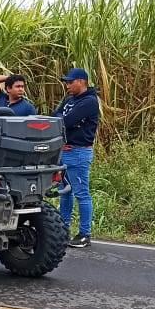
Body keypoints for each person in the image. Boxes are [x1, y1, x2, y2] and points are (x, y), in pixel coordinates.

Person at [53, 68, 100, 248]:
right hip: (64, 151)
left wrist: (62, 118)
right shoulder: (70, 100)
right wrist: (61, 117)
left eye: (70, 82)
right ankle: (63, 229)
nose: (67, 85)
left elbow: (65, 121)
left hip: (79, 152)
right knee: (65, 193)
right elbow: (54, 116)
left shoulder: (89, 101)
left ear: (81, 81)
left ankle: (84, 233)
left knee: (82, 193)